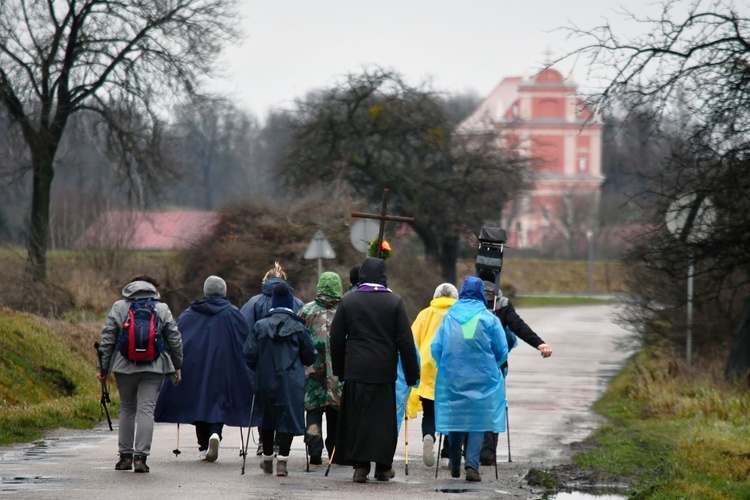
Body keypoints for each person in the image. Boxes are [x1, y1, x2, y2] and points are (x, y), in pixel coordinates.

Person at [330, 257, 420, 483]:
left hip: (356, 369)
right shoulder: (395, 302)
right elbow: (405, 341)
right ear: (383, 276)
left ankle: (360, 467)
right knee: (382, 421)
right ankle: (383, 467)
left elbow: (336, 338)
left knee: (358, 418)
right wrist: (411, 374)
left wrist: (340, 369)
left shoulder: (349, 301)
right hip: (383, 371)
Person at [154, 275, 254, 462]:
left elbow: (178, 339)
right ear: (224, 292)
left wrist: (176, 364)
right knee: (219, 401)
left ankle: (203, 446)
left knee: (199, 401)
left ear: (205, 291)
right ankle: (215, 434)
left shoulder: (190, 313)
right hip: (225, 367)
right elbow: (246, 342)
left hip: (196, 366)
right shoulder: (233, 314)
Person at [96, 275, 183, 473]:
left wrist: (102, 368)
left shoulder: (119, 307)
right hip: (154, 367)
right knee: (146, 410)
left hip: (124, 367)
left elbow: (108, 339)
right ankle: (141, 459)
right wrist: (177, 365)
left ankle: (125, 457)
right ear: (153, 289)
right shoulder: (161, 309)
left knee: (127, 409)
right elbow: (175, 339)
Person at [431, 275, 509, 482]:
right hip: (483, 379)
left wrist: (445, 366)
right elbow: (501, 351)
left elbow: (436, 348)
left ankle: (455, 463)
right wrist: (493, 366)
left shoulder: (449, 317)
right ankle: (472, 466)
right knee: (478, 421)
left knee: (456, 419)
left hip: (453, 378)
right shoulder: (489, 319)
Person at [242, 283, 317, 476]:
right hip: (292, 380)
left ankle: (267, 459)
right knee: (288, 416)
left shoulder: (260, 326)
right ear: (290, 303)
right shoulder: (299, 328)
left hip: (265, 379)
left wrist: (259, 369)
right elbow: (310, 357)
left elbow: (248, 354)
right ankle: (283, 459)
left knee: (267, 416)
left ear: (273, 302)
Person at [479, 273, 553, 465]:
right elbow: (518, 327)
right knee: (493, 407)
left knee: (468, 405)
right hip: (495, 366)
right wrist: (539, 344)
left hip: (467, 366)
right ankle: (486, 454)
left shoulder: (464, 307)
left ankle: (457, 451)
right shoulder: (501, 305)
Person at [239, 261, 305, 455]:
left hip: (263, 366)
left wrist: (252, 364)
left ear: (265, 281)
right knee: (286, 404)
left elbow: (245, 336)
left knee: (264, 405)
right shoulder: (297, 303)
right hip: (290, 368)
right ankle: (280, 445)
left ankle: (263, 442)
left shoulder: (252, 303)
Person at [406, 282, 458, 467]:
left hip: (427, 367)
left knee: (430, 411)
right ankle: (446, 455)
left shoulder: (425, 314)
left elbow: (412, 340)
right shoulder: (458, 315)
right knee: (452, 414)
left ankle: (429, 435)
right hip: (451, 367)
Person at [298, 271, 344, 466]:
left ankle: (314, 447)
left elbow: (297, 339)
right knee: (335, 412)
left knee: (314, 410)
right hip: (337, 372)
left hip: (311, 370)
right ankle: (334, 450)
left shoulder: (306, 311)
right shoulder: (345, 311)